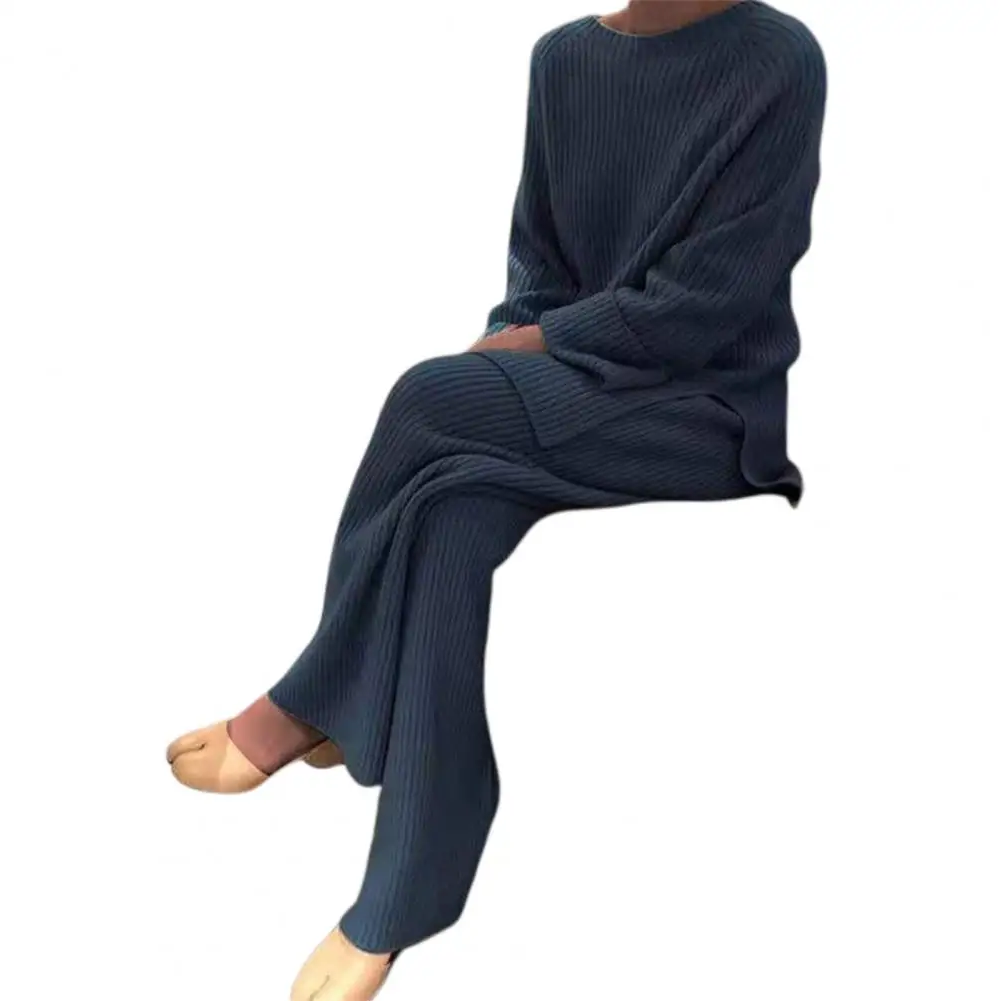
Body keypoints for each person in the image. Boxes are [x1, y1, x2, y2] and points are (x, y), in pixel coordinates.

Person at [165, 2, 827, 997]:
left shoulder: (777, 58)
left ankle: (308, 701)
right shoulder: (562, 61)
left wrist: (533, 348)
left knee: (427, 396)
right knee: (448, 510)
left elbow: (712, 302)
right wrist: (514, 344)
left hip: (704, 408)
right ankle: (410, 875)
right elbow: (538, 271)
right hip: (581, 383)